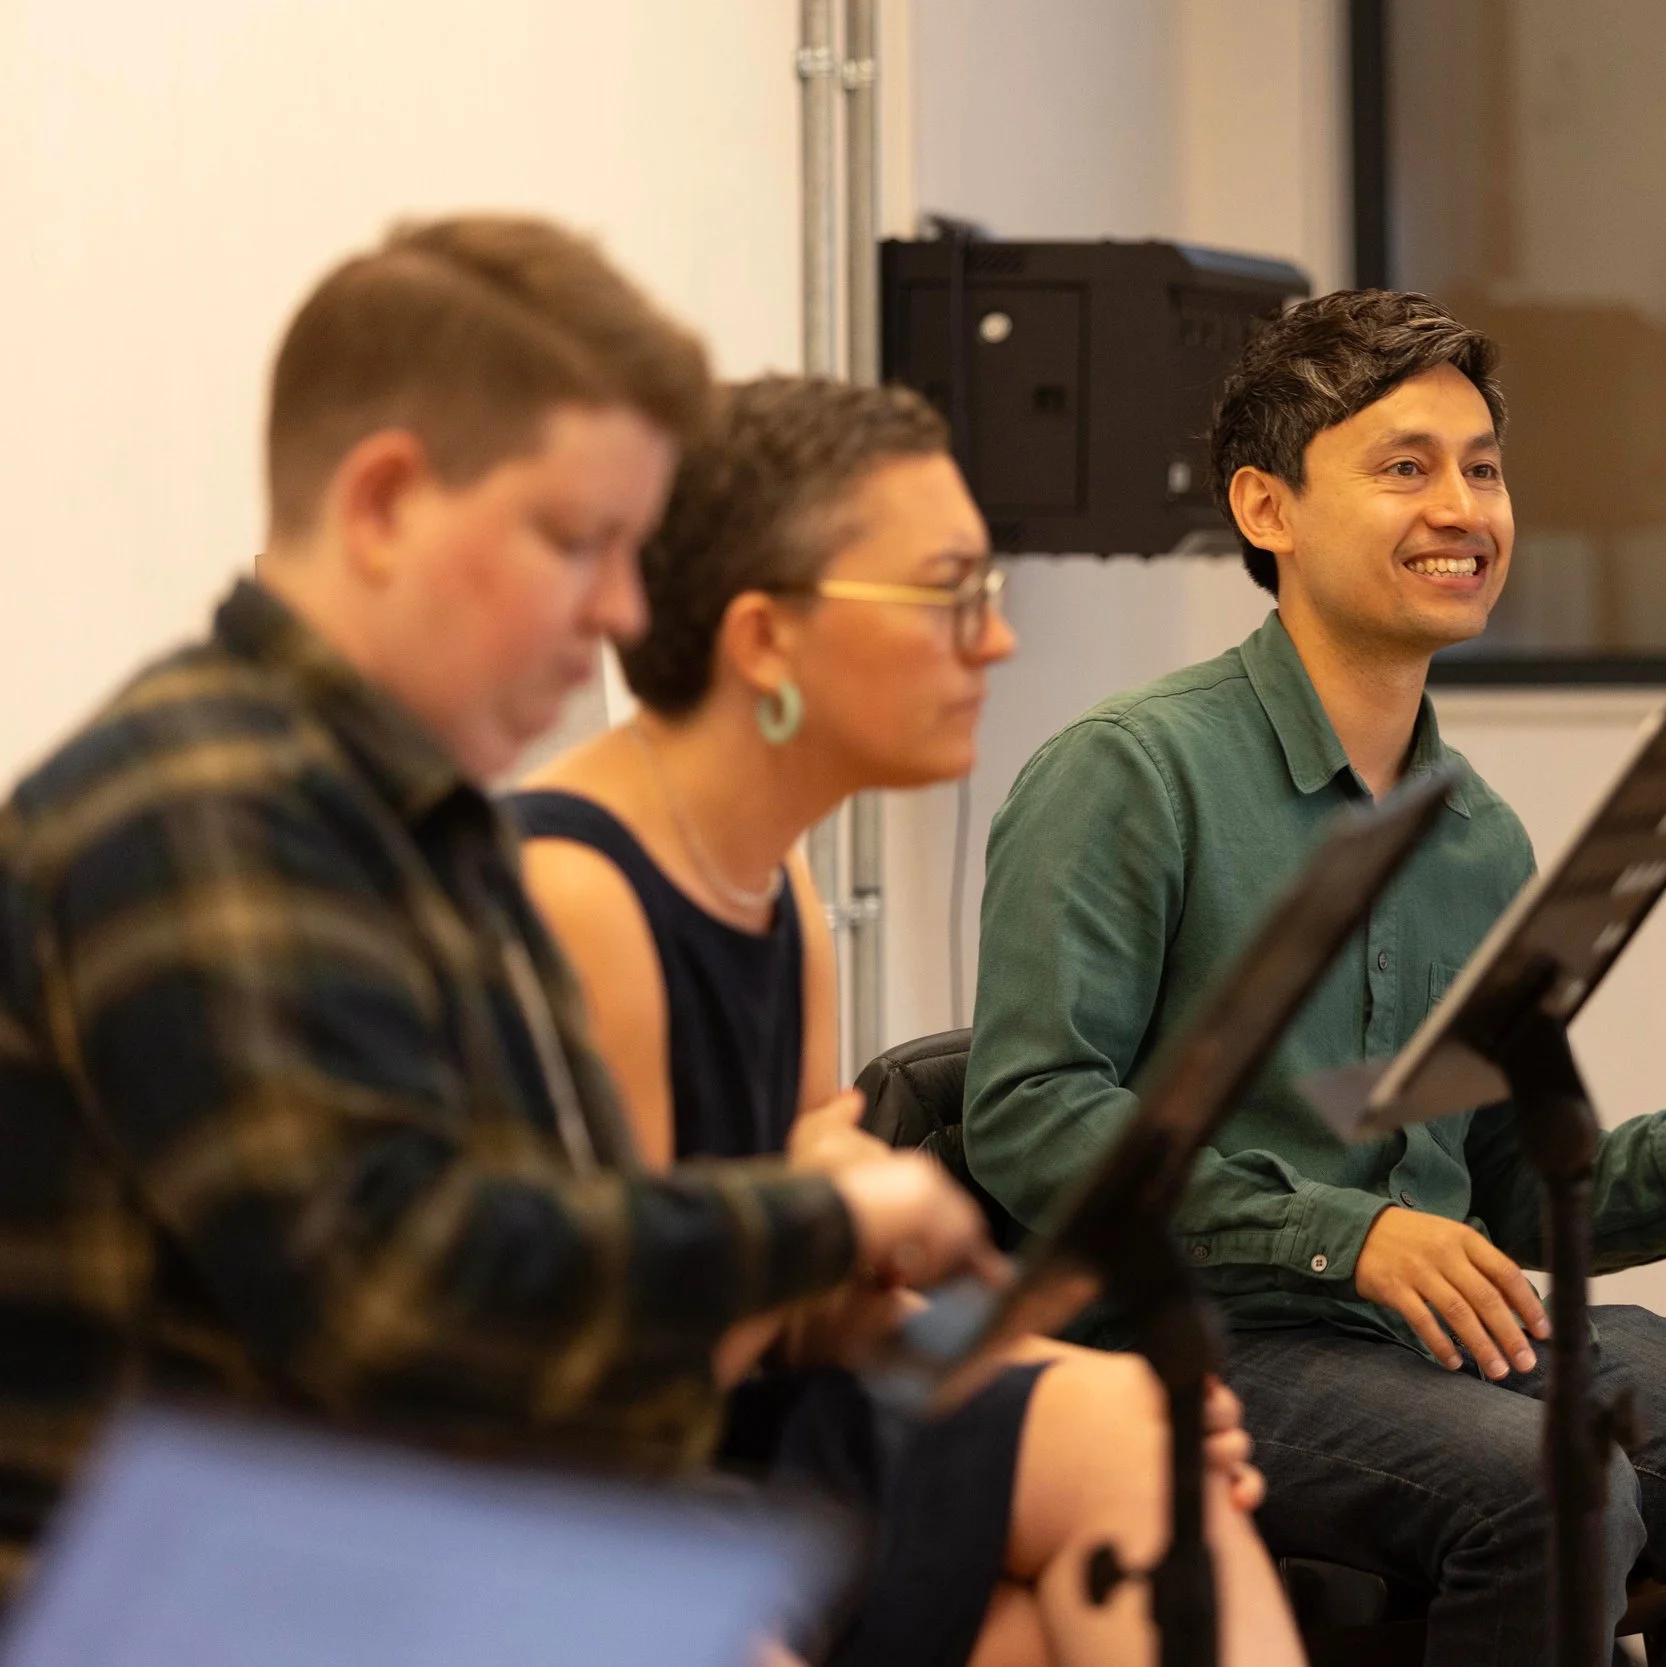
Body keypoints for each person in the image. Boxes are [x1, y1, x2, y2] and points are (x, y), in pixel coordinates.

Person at [0, 218, 992, 1602]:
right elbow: (401, 1290)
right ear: (385, 504)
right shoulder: (200, 803)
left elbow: (561, 1252)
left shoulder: (421, 823)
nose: (624, 611)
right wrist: (819, 1218)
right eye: (579, 542)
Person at [964, 289, 1666, 1667]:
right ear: (1266, 508)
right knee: (1560, 1493)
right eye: (1405, 467)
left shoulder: (1476, 833)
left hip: (1436, 1343)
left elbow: (1491, 1183)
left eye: (1483, 469)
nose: (1463, 508)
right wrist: (1345, 1235)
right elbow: (1033, 1114)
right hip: (1201, 1338)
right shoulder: (1128, 771)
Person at [512, 375, 1305, 1667]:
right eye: (950, 595)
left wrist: (1051, 1359)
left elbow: (811, 1317)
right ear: (764, 639)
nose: (996, 642)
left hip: (754, 1434)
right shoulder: (577, 895)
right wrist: (829, 1212)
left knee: (1130, 1443)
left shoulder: (780, 886)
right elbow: (632, 1386)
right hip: (602, 1494)